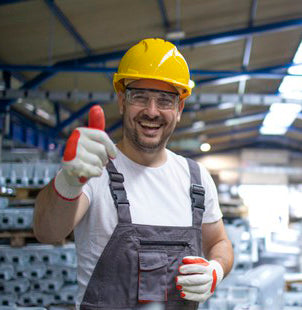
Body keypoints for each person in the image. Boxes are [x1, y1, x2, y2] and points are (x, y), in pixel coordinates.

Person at [33, 38, 234, 310]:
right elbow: (47, 232)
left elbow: (220, 242)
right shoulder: (93, 170)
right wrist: (68, 181)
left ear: (179, 109)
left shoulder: (196, 179)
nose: (152, 111)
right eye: (140, 97)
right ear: (122, 101)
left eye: (165, 100)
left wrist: (216, 270)